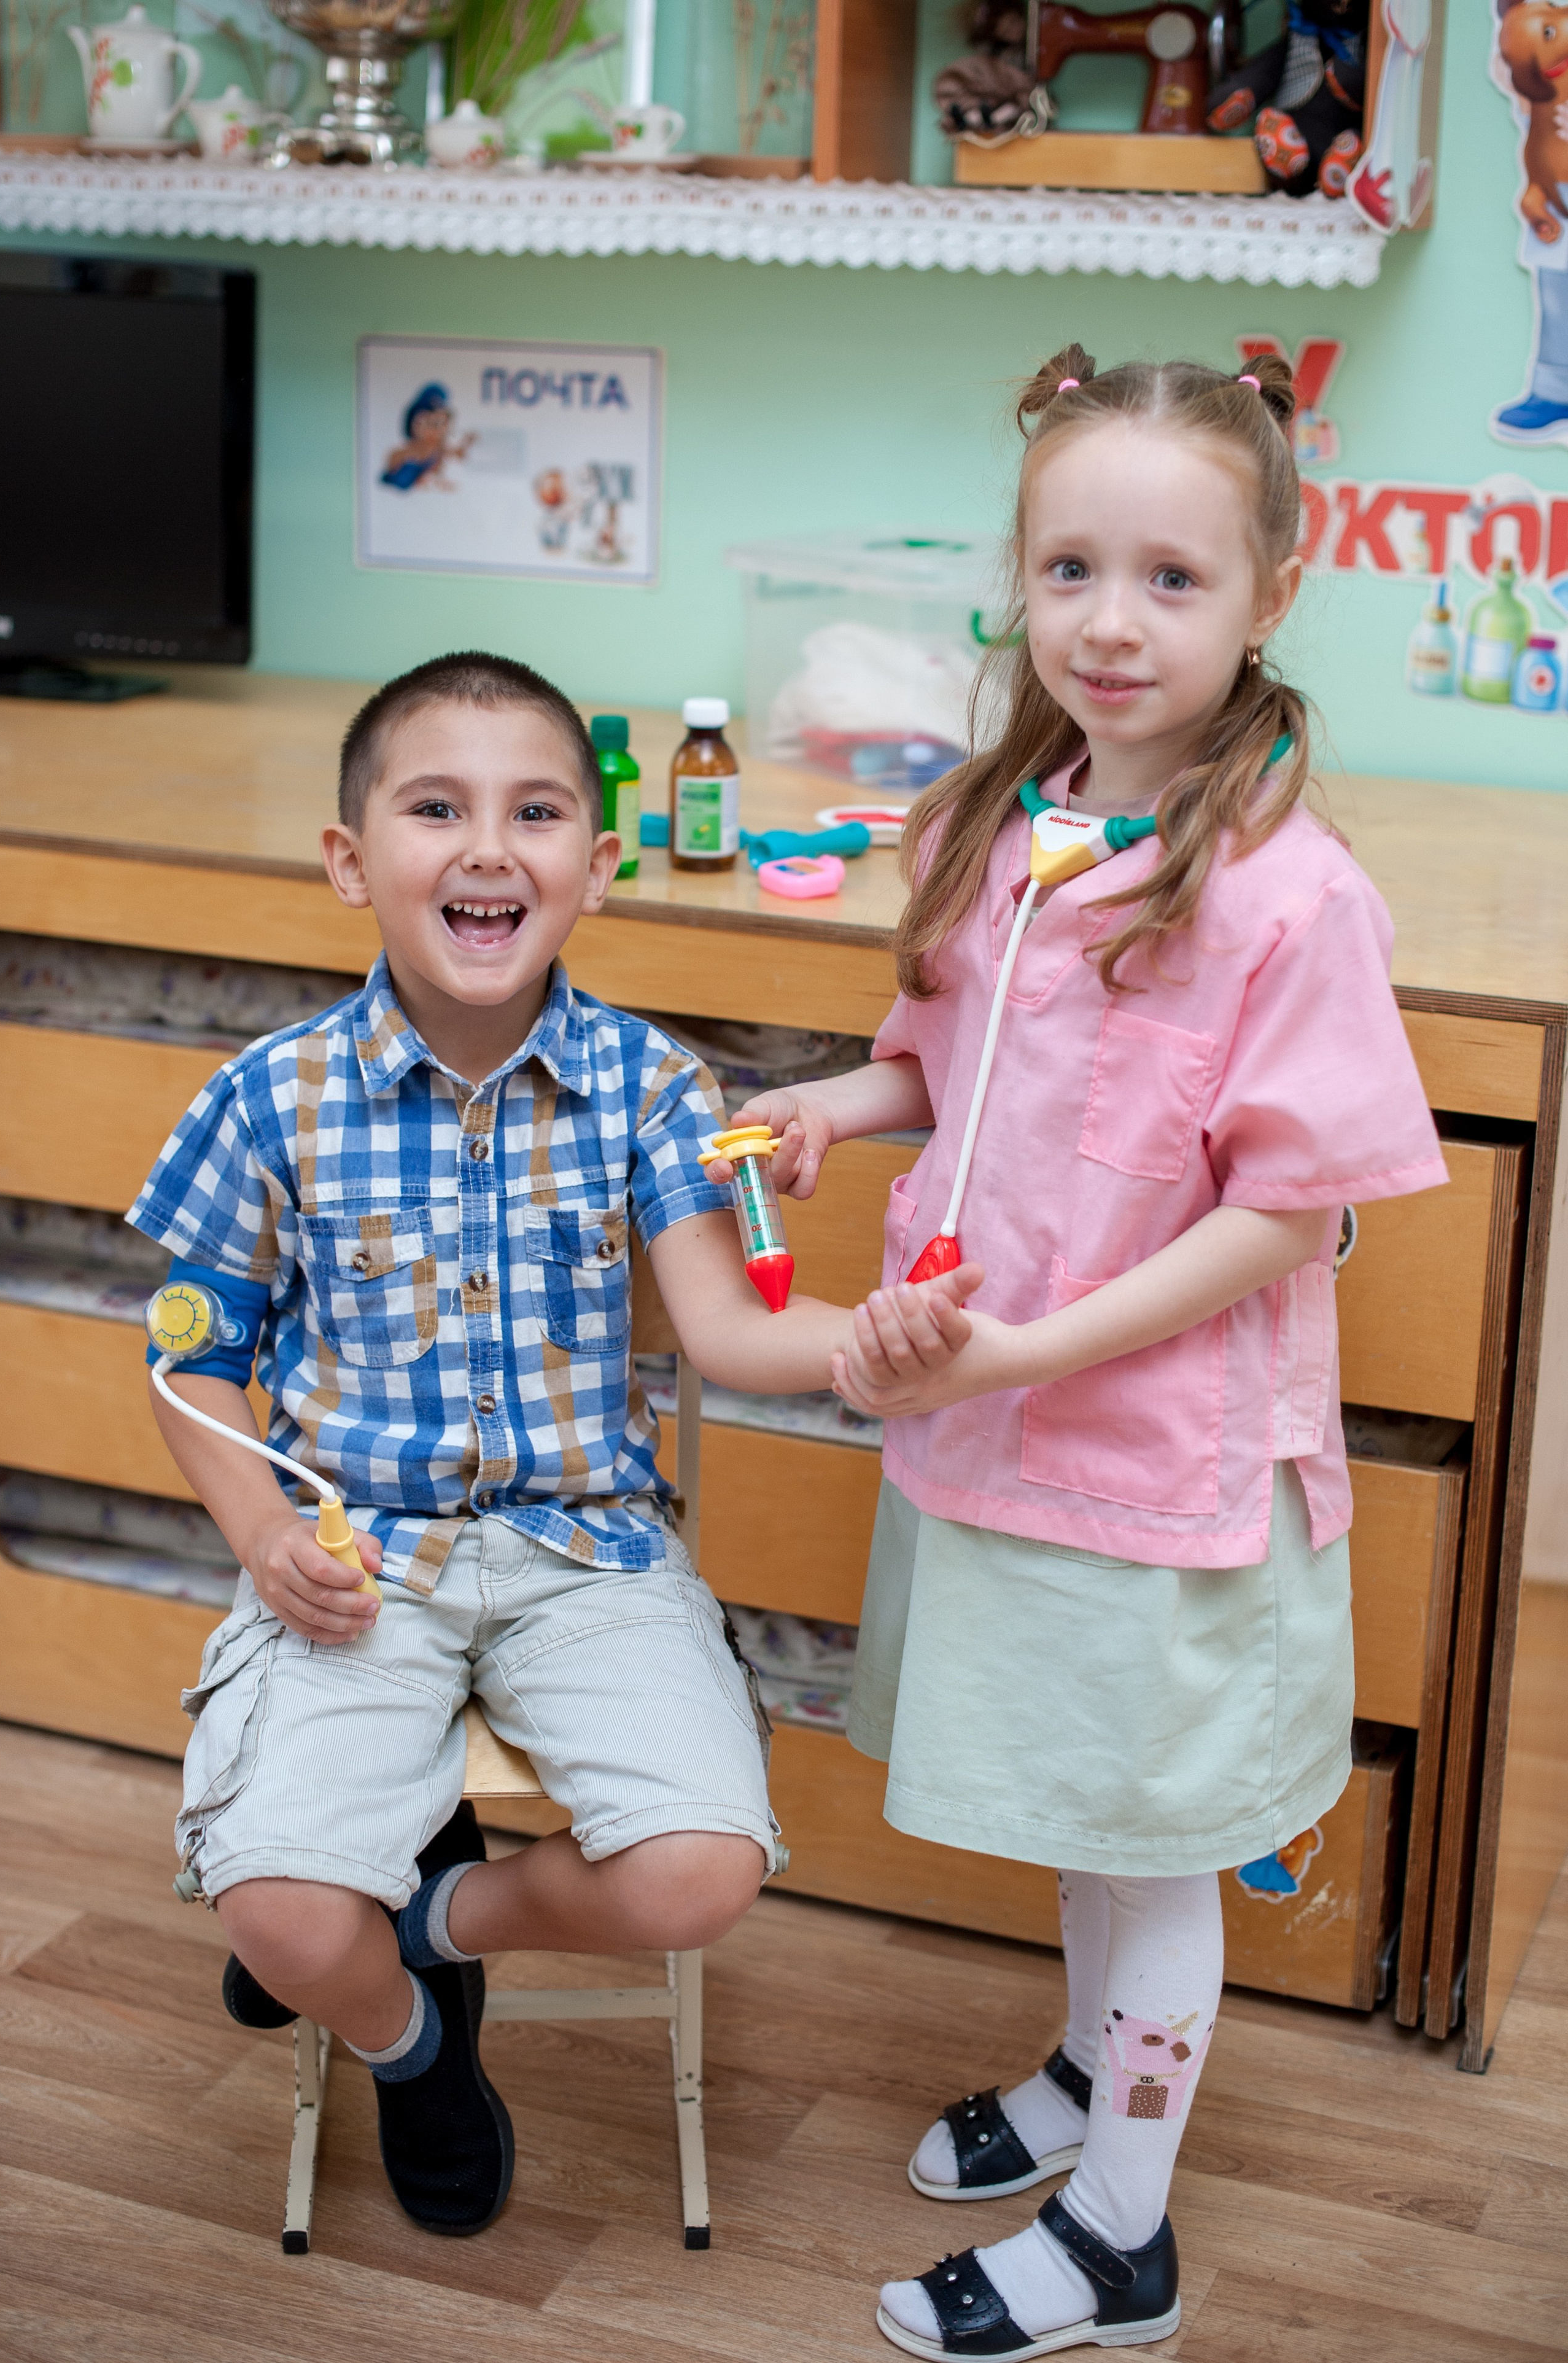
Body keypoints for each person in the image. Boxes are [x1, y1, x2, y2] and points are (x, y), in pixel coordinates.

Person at [715, 348, 1448, 2356]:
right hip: (997, 1432)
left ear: (1273, 591)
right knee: (1078, 1812)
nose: (1110, 623)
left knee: (1151, 1847)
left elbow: (1288, 1213)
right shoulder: (995, 825)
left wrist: (1026, 1347)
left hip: (1158, 1473)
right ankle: (1085, 2062)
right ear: (1019, 580)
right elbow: (947, 1064)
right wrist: (834, 1106)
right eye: (1069, 570)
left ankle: (1124, 2234)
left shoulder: (1293, 898)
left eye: (1171, 579)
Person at [129, 650, 970, 2241]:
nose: (489, 848)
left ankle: (432, 1919)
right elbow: (191, 1365)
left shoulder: (656, 1090)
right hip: (356, 1561)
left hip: (590, 1558)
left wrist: (880, 1343)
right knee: (280, 1917)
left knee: (701, 1874)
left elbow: (727, 1331)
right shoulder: (267, 1099)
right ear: (350, 860)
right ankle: (409, 2043)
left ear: (598, 863)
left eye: (534, 813)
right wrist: (262, 1537)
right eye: (435, 809)